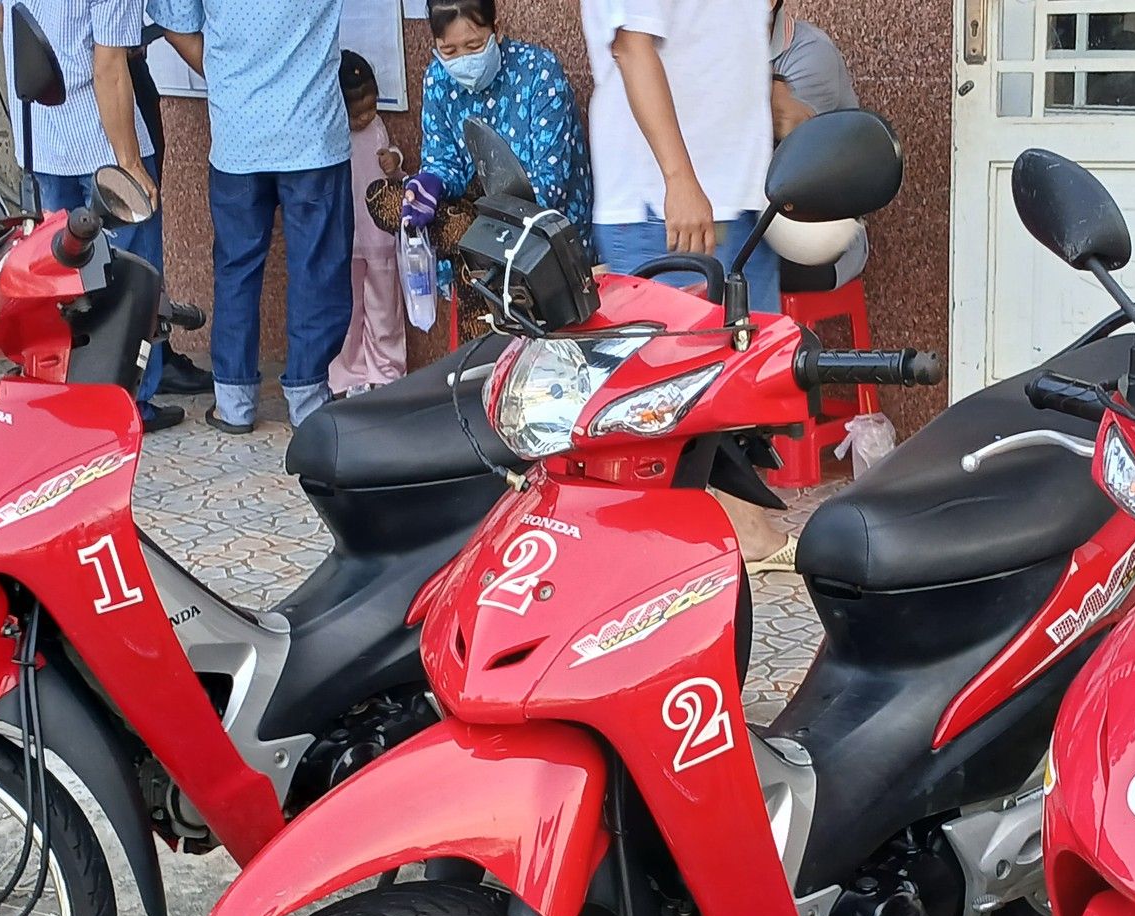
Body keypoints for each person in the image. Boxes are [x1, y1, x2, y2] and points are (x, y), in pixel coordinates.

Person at [581, 0, 790, 570]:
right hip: (665, 203)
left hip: (737, 194)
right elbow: (632, 47)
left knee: (744, 376)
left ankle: (738, 529)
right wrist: (679, 178)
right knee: (670, 390)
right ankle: (686, 550)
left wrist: (773, 98)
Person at [0, 0, 194, 431]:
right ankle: (129, 402)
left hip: (42, 135)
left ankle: (70, 392)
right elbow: (109, 66)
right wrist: (129, 162)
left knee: (62, 275)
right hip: (100, 139)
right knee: (131, 275)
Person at [150, 0, 354, 433]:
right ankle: (308, 401)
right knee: (318, 268)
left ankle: (234, 403)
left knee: (236, 269)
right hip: (313, 134)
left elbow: (174, 23)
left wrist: (230, 76)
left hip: (238, 134)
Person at [400, 1, 591, 256]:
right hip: (474, 244)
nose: (463, 60)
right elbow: (443, 161)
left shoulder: (539, 72)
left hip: (548, 245)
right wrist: (431, 184)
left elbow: (550, 184)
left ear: (497, 30)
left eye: (474, 46)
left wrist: (481, 226)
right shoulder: (438, 79)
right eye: (449, 50)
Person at [768, 0, 866, 290]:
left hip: (821, 238)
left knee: (726, 266)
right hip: (750, 223)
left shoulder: (811, 52)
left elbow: (787, 150)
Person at [330, 52, 406, 396]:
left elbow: (393, 164)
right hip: (346, 240)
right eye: (356, 113)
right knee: (349, 311)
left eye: (371, 107)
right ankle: (348, 374)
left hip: (380, 239)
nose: (365, 117)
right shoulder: (332, 136)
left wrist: (395, 159)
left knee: (384, 310)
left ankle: (387, 373)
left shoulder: (376, 128)